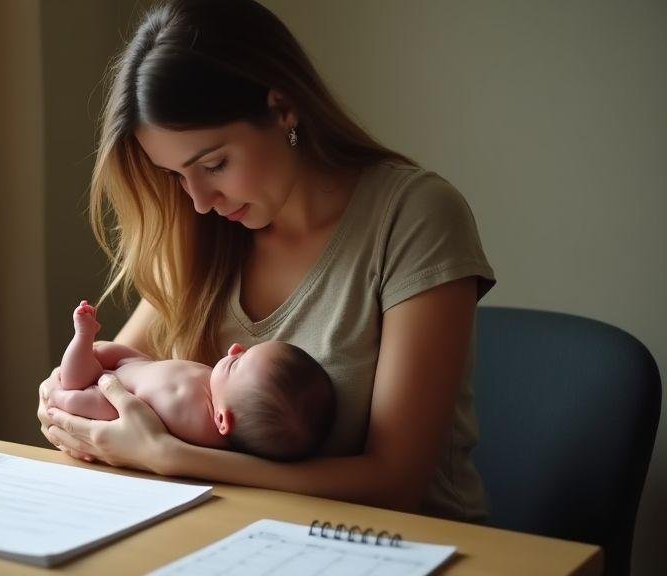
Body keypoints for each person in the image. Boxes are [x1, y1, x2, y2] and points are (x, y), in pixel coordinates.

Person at [38, 0, 496, 522]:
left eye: (213, 164)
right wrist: (61, 403)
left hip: (400, 549)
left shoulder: (414, 217)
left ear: (282, 109)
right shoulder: (203, 232)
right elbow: (111, 388)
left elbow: (395, 485)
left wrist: (174, 457)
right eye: (176, 176)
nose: (199, 200)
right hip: (227, 537)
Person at [55, 300, 335, 461]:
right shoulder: (215, 393)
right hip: (128, 370)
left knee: (72, 389)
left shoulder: (198, 428)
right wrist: (127, 359)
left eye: (236, 364)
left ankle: (82, 336)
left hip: (106, 399)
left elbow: (137, 419)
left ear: (223, 421)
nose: (235, 348)